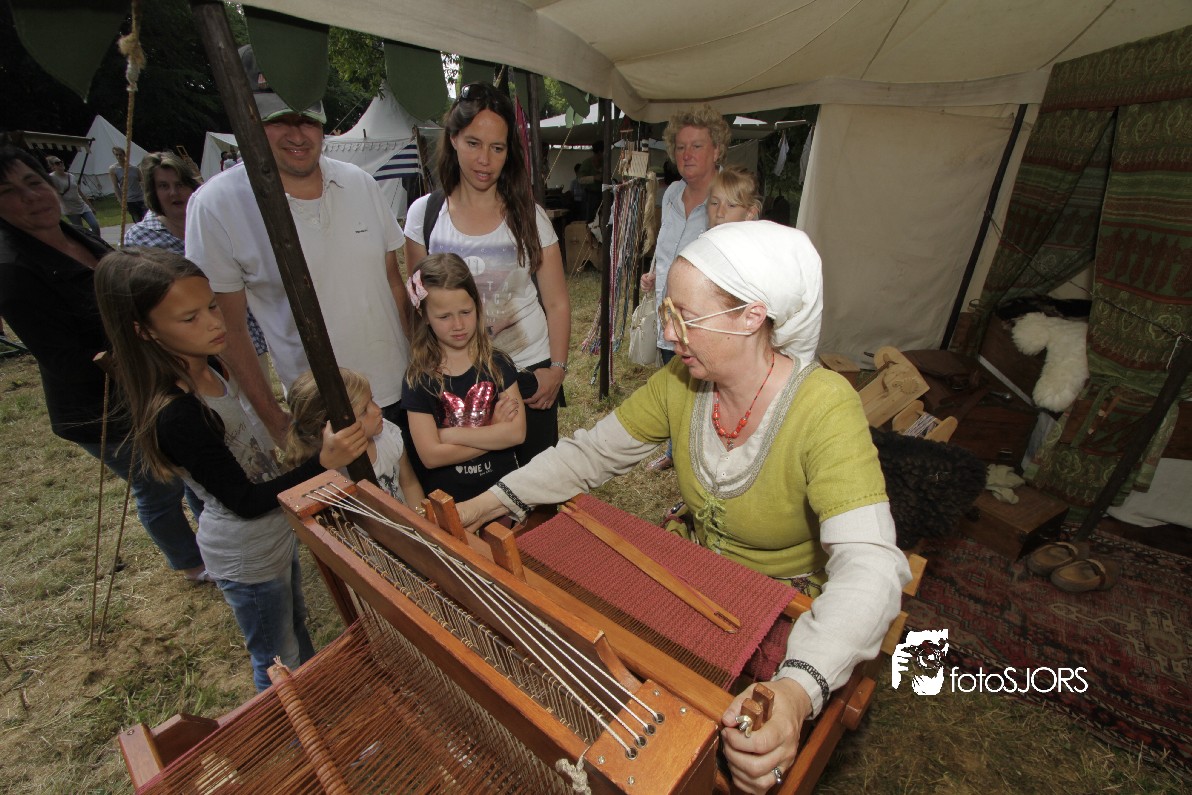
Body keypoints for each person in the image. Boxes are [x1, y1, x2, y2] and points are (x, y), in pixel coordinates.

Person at [458, 221, 910, 795]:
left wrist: (795, 692)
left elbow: (871, 564)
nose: (669, 335)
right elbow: (591, 453)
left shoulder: (824, 407)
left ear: (752, 316)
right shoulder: (682, 382)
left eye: (685, 318)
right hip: (691, 579)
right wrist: (489, 501)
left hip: (778, 604)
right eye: (667, 313)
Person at [93, 247, 367, 691]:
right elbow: (244, 501)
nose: (214, 323)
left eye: (212, 307)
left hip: (273, 535)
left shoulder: (211, 366)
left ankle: (314, 702)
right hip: (247, 553)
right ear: (144, 330)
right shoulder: (178, 414)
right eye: (190, 318)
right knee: (276, 660)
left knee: (294, 626)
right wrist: (323, 465)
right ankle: (291, 723)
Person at [0, 146, 207, 583]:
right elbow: (66, 361)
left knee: (191, 467)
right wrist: (145, 354)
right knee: (158, 485)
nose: (30, 197)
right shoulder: (14, 270)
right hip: (104, 407)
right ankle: (191, 564)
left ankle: (214, 541)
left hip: (152, 384)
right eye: (9, 192)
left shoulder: (75, 235)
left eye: (34, 182)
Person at [186, 45, 413, 444]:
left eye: (307, 119)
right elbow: (228, 329)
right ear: (249, 118)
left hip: (402, 388)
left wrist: (418, 369)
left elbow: (393, 281)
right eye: (278, 120)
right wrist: (276, 420)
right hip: (326, 411)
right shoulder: (217, 205)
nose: (297, 134)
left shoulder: (359, 182)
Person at [403, 81, 569, 465]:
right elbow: (417, 305)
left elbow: (558, 302)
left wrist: (556, 370)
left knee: (536, 482)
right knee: (470, 483)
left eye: (497, 148)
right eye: (474, 143)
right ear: (453, 140)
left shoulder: (530, 217)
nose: (484, 160)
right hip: (455, 380)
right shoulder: (425, 215)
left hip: (528, 369)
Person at [640, 105, 731, 470]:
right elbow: (666, 244)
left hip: (705, 317)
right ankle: (675, 451)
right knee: (674, 382)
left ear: (717, 149)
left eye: (697, 146)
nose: (687, 154)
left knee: (707, 391)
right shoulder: (672, 194)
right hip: (669, 312)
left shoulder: (727, 198)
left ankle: (706, 456)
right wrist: (653, 272)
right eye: (680, 147)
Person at [125, 152, 272, 379]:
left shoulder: (216, 223)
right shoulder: (141, 238)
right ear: (152, 192)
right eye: (163, 186)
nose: (173, 193)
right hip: (188, 349)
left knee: (257, 393)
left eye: (180, 184)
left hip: (241, 334)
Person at [401, 253, 525, 502]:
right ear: (424, 315)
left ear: (478, 306)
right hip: (451, 505)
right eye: (444, 316)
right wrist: (493, 430)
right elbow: (431, 456)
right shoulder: (417, 380)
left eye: (466, 312)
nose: (458, 324)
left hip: (503, 497)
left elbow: (516, 434)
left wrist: (448, 435)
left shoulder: (498, 363)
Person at [286, 367, 424, 506]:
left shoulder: (388, 434)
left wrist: (420, 516)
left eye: (372, 399)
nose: (378, 410)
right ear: (329, 428)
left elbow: (409, 484)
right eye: (364, 411)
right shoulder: (326, 472)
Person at [46, 156, 100, 235]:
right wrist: (62, 207)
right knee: (81, 230)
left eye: (61, 161)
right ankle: (86, 242)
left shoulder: (71, 176)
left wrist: (90, 206)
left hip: (81, 205)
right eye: (57, 163)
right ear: (53, 167)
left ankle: (98, 240)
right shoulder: (52, 178)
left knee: (95, 225)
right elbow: (55, 194)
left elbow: (79, 191)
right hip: (70, 209)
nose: (61, 164)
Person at [108, 147, 147, 221]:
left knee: (147, 218)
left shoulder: (135, 168)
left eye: (120, 154)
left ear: (124, 155)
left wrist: (147, 195)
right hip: (129, 200)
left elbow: (143, 182)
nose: (119, 157)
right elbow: (116, 187)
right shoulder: (113, 170)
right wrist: (121, 201)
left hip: (141, 198)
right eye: (116, 155)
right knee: (137, 220)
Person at [576, 139, 604, 221]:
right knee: (589, 218)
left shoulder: (604, 163)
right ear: (600, 152)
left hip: (601, 194)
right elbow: (580, 180)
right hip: (590, 196)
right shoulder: (587, 163)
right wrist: (594, 178)